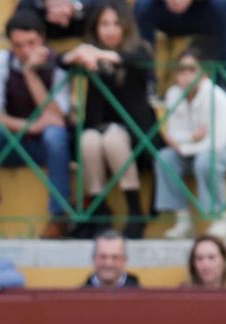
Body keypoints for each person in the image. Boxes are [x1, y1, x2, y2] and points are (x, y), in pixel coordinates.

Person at [0, 9, 74, 239]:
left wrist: (30, 74)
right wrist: (30, 126)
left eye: (31, 43)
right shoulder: (2, 60)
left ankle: (59, 217)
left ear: (43, 40)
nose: (25, 51)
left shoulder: (57, 63)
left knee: (56, 136)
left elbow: (57, 116)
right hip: (13, 140)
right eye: (18, 45)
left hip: (44, 145)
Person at [62, 0, 156, 238]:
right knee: (89, 140)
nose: (110, 29)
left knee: (113, 139)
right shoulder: (90, 54)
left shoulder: (140, 49)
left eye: (116, 23)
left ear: (126, 26)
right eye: (104, 24)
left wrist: (97, 54)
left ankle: (135, 210)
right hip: (98, 127)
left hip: (136, 134)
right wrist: (76, 55)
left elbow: (133, 59)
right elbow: (59, 61)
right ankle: (98, 209)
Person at [154, 46, 226, 239]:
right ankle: (182, 220)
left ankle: (220, 219)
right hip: (194, 150)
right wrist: (192, 138)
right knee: (165, 157)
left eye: (192, 70)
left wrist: (184, 143)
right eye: (181, 71)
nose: (186, 76)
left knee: (206, 160)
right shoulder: (173, 95)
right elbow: (173, 134)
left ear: (203, 73)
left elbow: (217, 142)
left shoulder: (215, 96)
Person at [134, 0, 226, 84]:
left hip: (202, 11)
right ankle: (147, 81)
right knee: (142, 6)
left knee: (225, 4)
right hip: (165, 12)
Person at [14, 0, 101, 39]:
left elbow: (106, 7)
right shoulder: (27, 5)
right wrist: (47, 10)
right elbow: (20, 26)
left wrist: (74, 8)